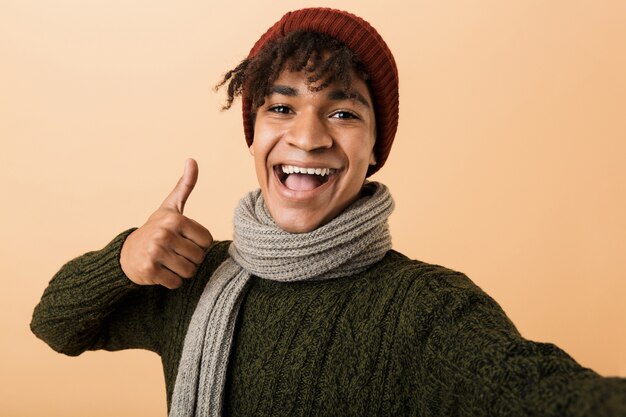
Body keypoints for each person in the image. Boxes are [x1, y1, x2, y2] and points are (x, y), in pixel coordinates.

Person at [31, 7, 626, 417]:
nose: (309, 137)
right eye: (282, 108)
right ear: (254, 133)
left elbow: (537, 394)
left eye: (343, 113)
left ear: (374, 148)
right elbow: (55, 324)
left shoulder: (422, 309)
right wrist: (124, 260)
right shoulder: (192, 275)